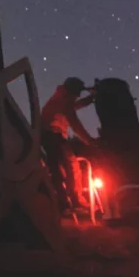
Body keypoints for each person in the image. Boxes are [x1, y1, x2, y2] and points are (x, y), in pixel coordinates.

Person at [40, 77, 97, 213]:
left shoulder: (61, 98)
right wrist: (90, 142)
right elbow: (76, 125)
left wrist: (91, 98)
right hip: (52, 135)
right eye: (77, 93)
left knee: (58, 169)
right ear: (72, 92)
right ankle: (72, 202)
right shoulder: (64, 102)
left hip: (49, 136)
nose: (78, 96)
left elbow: (76, 105)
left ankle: (65, 202)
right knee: (70, 166)